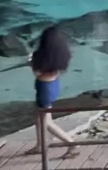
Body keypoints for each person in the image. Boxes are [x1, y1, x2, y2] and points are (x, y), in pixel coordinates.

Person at [27, 27, 77, 156]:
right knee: (39, 118)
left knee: (46, 121)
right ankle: (40, 145)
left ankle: (71, 144)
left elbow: (37, 73)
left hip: (43, 87)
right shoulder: (62, 54)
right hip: (53, 85)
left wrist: (31, 62)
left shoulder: (40, 55)